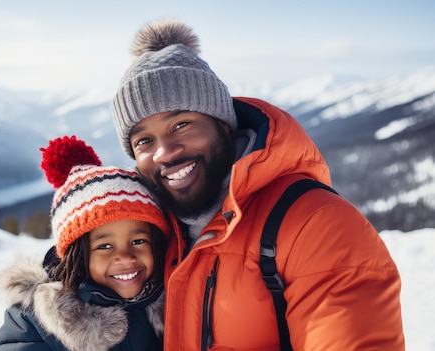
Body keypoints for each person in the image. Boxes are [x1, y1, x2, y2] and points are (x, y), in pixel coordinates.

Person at [111, 18, 405, 351]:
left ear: (223, 126)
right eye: (144, 141)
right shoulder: (151, 238)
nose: (164, 152)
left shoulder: (317, 225)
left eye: (181, 124)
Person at [0, 135, 170, 351]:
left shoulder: (167, 302)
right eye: (104, 246)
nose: (125, 256)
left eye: (138, 241)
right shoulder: (35, 322)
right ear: (75, 256)